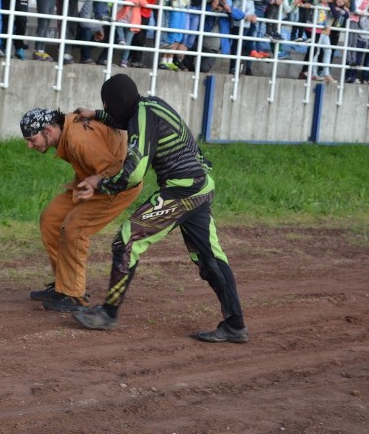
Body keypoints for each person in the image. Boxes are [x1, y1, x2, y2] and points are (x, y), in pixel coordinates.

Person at [71, 74, 247, 343]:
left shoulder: (141, 117)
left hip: (182, 190)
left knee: (126, 241)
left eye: (106, 106)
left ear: (114, 102)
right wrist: (96, 114)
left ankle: (107, 313)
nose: (107, 111)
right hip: (200, 185)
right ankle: (235, 325)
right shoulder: (149, 105)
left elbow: (133, 173)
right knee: (210, 258)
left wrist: (100, 183)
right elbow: (127, 119)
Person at [21, 108, 143, 312]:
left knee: (74, 229)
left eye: (32, 139)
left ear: (48, 130)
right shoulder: (67, 130)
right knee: (51, 219)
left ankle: (74, 295)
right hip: (92, 181)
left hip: (117, 186)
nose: (29, 145)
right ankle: (63, 285)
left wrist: (95, 185)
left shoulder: (78, 140)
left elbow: (115, 170)